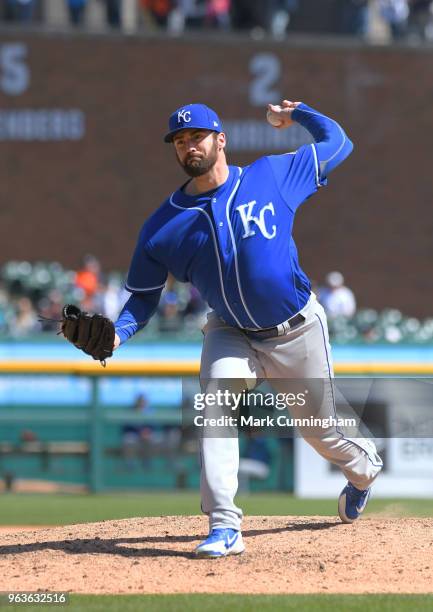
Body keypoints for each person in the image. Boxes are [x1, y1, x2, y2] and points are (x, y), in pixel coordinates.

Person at [66, 100, 383, 558]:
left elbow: (338, 143)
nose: (188, 145)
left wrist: (300, 114)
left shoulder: (271, 175)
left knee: (319, 430)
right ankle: (224, 525)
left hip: (296, 329)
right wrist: (117, 334)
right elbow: (143, 296)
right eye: (179, 140)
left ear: (220, 140)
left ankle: (364, 471)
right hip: (229, 330)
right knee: (214, 399)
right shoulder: (163, 226)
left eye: (196, 135)